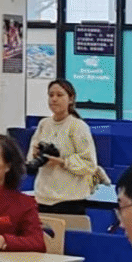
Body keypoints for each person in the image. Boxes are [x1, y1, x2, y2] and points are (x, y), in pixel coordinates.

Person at [27, 78, 101, 215]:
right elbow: (30, 159)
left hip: (70, 201)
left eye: (59, 95)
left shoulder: (78, 126)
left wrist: (62, 162)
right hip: (42, 198)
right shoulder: (44, 124)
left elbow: (90, 165)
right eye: (51, 95)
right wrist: (36, 154)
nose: (54, 99)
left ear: (71, 99)